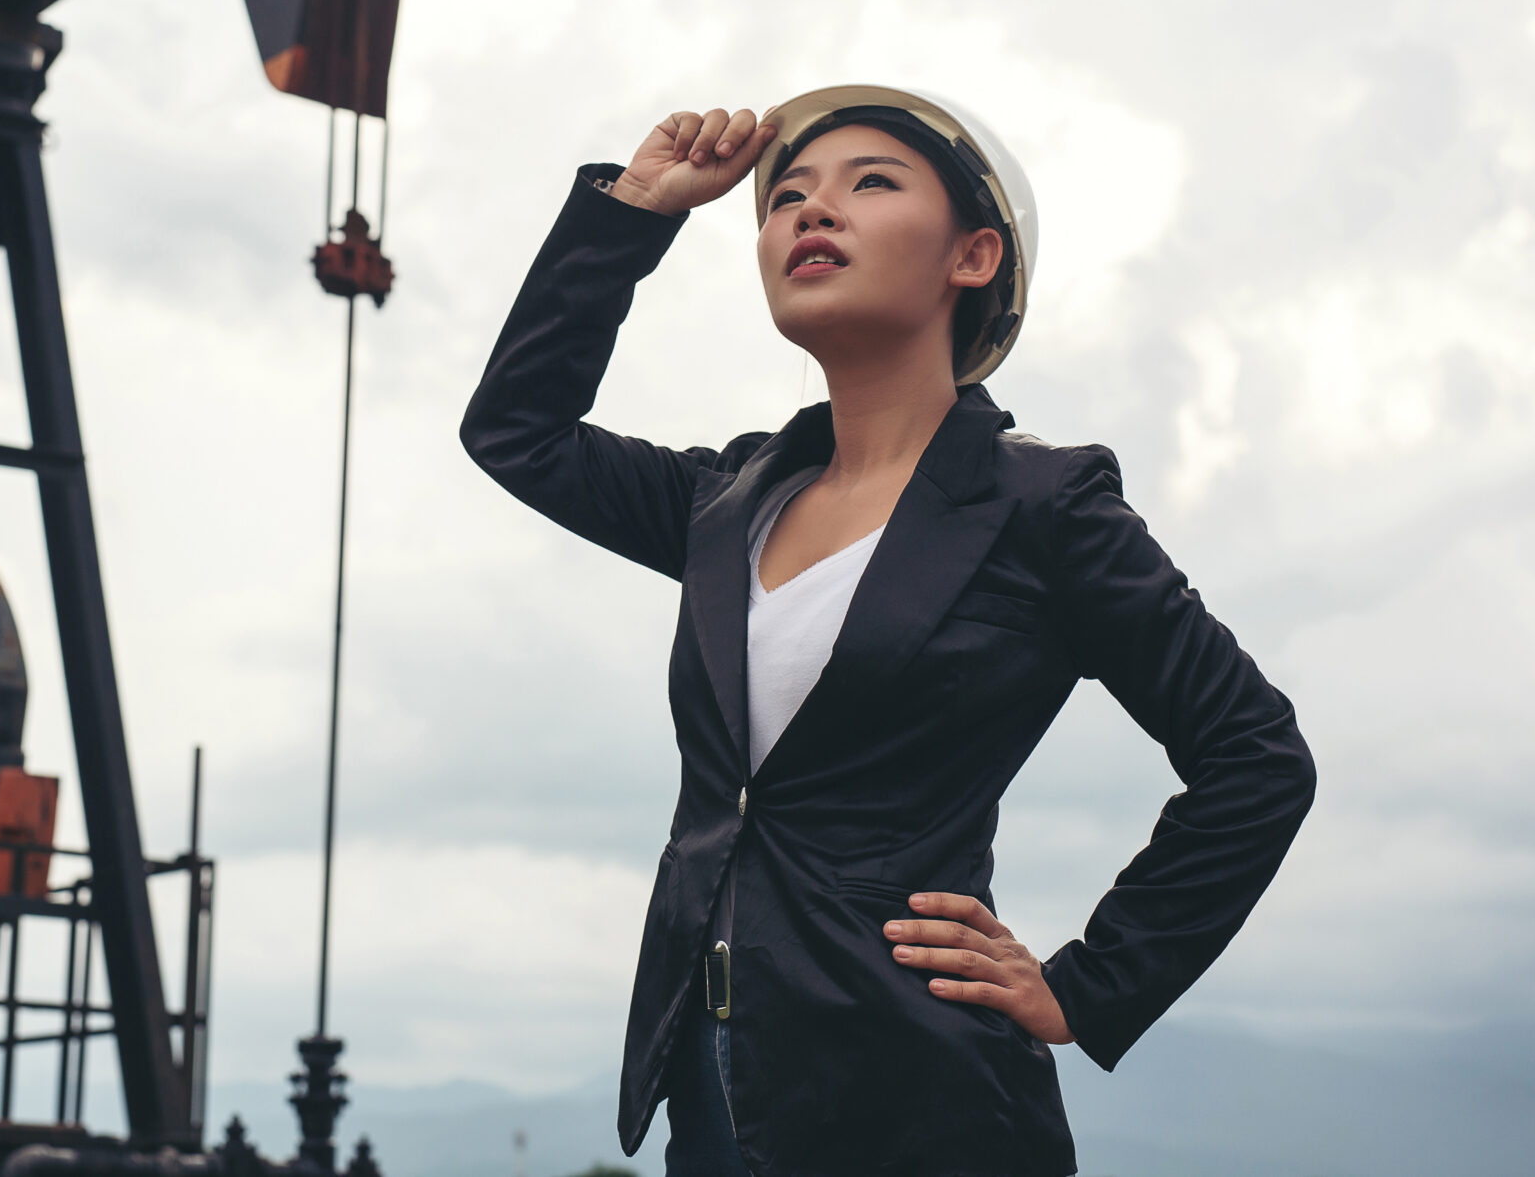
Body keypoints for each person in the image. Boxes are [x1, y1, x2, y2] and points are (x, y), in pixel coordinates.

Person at [459, 87, 1316, 1177]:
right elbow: (515, 432)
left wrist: (1088, 984)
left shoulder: (1043, 507)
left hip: (923, 1094)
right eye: (787, 199)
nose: (812, 213)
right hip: (712, 1083)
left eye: (869, 185)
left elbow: (1254, 755)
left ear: (972, 256)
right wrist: (635, 210)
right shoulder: (726, 502)